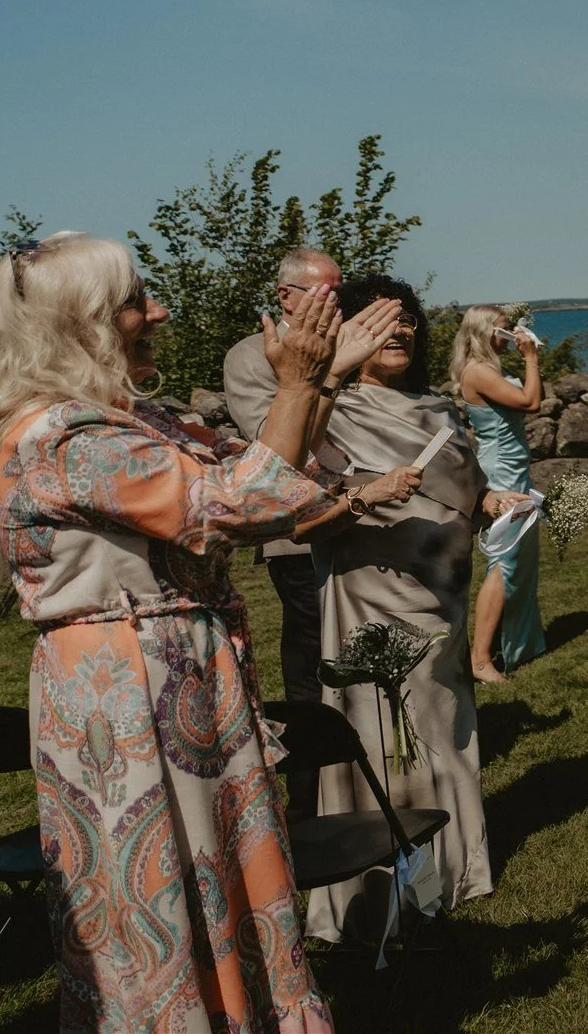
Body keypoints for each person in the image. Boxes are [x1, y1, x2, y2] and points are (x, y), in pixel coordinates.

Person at [0, 233, 395, 1032]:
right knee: (163, 896)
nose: (159, 311)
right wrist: (301, 380)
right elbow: (241, 505)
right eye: (136, 299)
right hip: (128, 694)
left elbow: (263, 472)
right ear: (82, 321)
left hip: (179, 678)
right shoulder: (62, 439)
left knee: (222, 877)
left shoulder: (128, 420)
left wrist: (321, 381)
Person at [307, 275, 529, 943]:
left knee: (445, 727)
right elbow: (294, 499)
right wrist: (369, 493)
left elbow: (466, 484)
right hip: (373, 594)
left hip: (444, 596)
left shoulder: (439, 405)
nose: (399, 330)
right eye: (381, 320)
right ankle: (389, 878)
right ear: (349, 333)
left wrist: (492, 502)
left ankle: (455, 867)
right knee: (384, 733)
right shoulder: (327, 409)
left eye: (406, 319)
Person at [223, 246, 347, 811]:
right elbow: (272, 449)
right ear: (286, 296)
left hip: (367, 522)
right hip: (298, 533)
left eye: (340, 293)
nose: (336, 304)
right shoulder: (251, 356)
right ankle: (308, 798)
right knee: (312, 664)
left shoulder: (355, 344)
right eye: (325, 292)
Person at [450, 303, 547, 681]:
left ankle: (521, 644)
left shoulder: (492, 369)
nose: (509, 336)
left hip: (514, 467)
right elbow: (531, 402)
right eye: (504, 330)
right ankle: (480, 659)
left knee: (520, 561)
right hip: (501, 472)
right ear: (485, 332)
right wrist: (531, 358)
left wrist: (528, 361)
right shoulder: (478, 371)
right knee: (504, 562)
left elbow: (532, 396)